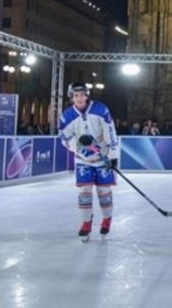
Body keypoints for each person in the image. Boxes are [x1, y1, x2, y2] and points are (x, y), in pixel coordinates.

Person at [58, 82, 120, 241]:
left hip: (102, 158)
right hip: (83, 160)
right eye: (76, 95)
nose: (79, 98)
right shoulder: (67, 116)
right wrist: (78, 145)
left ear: (87, 95)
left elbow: (110, 131)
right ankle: (86, 223)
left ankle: (106, 219)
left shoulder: (100, 109)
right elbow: (64, 137)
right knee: (84, 191)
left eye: (82, 95)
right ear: (71, 97)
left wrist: (113, 156)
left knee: (103, 191)